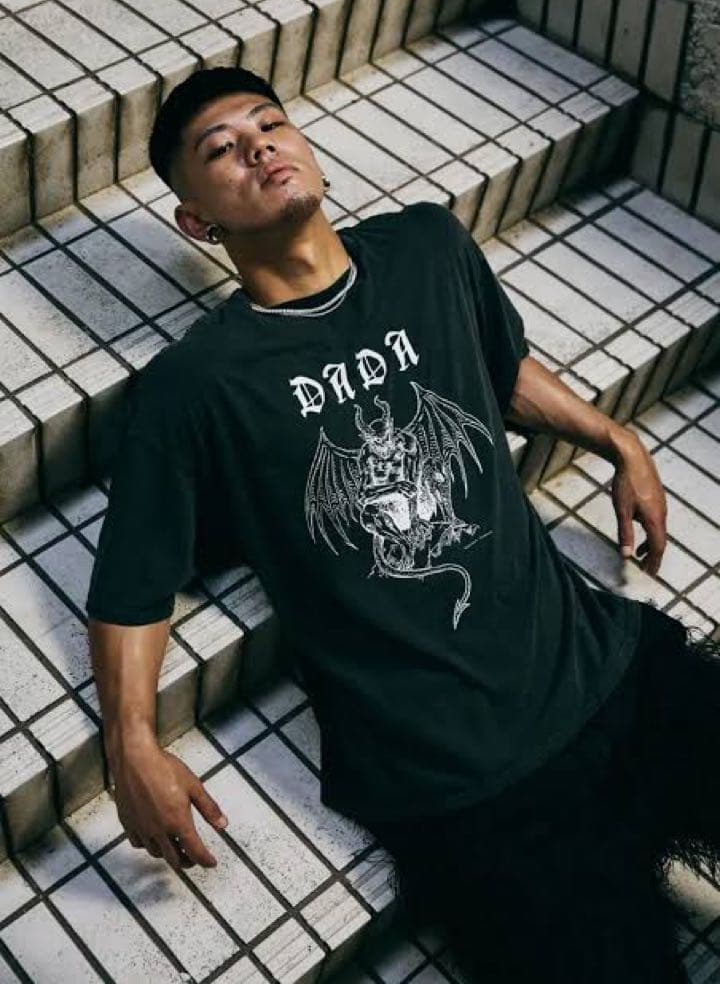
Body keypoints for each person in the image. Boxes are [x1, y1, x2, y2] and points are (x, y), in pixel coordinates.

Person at [85, 67, 719, 983]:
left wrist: (614, 437)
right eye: (221, 150)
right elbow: (132, 583)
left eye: (270, 124)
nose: (259, 146)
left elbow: (500, 369)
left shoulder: (426, 246)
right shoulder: (199, 386)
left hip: (607, 665)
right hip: (471, 784)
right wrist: (132, 743)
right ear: (198, 221)